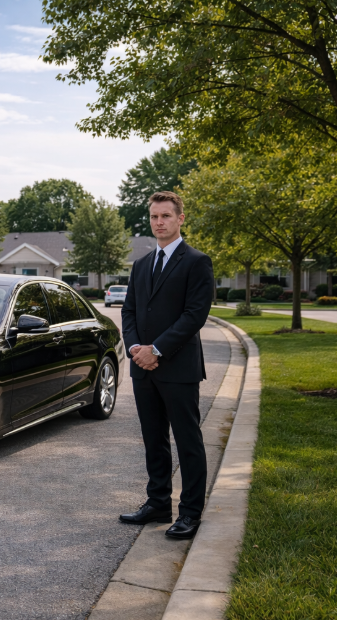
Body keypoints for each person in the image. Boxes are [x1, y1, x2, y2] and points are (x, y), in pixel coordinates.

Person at [119, 191, 214, 539]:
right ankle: (158, 502)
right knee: (153, 439)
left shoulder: (196, 261)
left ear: (180, 219)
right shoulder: (141, 264)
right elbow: (129, 311)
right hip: (142, 368)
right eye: (154, 217)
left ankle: (190, 513)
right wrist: (134, 348)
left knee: (188, 441)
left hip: (177, 368)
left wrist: (156, 350)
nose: (159, 222)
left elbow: (194, 316)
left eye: (166, 216)